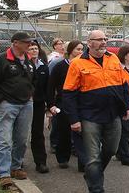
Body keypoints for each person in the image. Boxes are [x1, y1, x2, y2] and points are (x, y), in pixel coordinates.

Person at [63, 30, 129, 193]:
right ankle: (96, 188)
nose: (103, 42)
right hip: (90, 117)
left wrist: (127, 107)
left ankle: (92, 174)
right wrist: (74, 119)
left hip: (112, 115)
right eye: (99, 39)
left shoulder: (113, 58)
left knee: (111, 149)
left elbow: (124, 85)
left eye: (105, 39)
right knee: (92, 157)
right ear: (89, 43)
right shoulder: (78, 63)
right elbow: (68, 93)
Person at [0, 31, 36, 191]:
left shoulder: (28, 60)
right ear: (15, 43)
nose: (29, 45)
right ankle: (3, 174)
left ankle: (16, 167)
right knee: (4, 139)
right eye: (26, 42)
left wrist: (30, 95)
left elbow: (32, 80)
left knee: (21, 139)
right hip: (7, 104)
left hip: (26, 104)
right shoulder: (1, 59)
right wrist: (0, 99)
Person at [47, 40, 87, 171]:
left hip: (81, 104)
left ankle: (83, 162)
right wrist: (51, 105)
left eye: (82, 49)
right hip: (63, 103)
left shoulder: (85, 66)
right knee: (63, 132)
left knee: (82, 134)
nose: (80, 52)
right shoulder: (60, 66)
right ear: (70, 51)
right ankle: (63, 158)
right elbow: (51, 86)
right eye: (77, 49)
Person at [28, 40, 50, 174]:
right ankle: (16, 162)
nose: (34, 51)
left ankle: (41, 162)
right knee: (20, 134)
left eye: (36, 48)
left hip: (39, 104)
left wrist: (49, 105)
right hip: (23, 103)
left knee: (37, 133)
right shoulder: (23, 65)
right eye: (31, 48)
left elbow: (48, 88)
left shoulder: (44, 67)